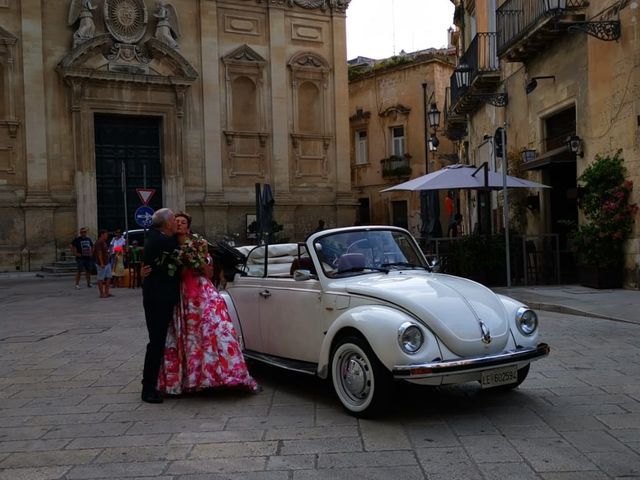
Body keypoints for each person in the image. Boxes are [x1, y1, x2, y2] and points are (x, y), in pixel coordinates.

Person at [157, 212, 258, 395]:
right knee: (186, 337)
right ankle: (191, 380)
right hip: (181, 297)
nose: (179, 224)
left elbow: (209, 273)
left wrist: (194, 260)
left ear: (188, 227)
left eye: (183, 222)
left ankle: (220, 376)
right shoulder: (168, 246)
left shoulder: (198, 244)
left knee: (215, 330)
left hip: (203, 294)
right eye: (176, 222)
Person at [141, 208, 180, 404]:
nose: (176, 223)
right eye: (174, 220)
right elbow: (180, 255)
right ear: (166, 224)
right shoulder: (162, 241)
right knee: (156, 342)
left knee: (157, 342)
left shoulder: (156, 237)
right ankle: (148, 388)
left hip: (158, 296)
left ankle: (152, 383)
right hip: (158, 299)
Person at [94, 229, 113, 298]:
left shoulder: (104, 242)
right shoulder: (99, 242)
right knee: (100, 278)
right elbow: (99, 253)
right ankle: (101, 293)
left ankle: (106, 292)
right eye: (106, 234)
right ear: (102, 234)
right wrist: (101, 263)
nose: (107, 236)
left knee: (109, 276)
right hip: (101, 263)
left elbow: (104, 251)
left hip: (107, 262)